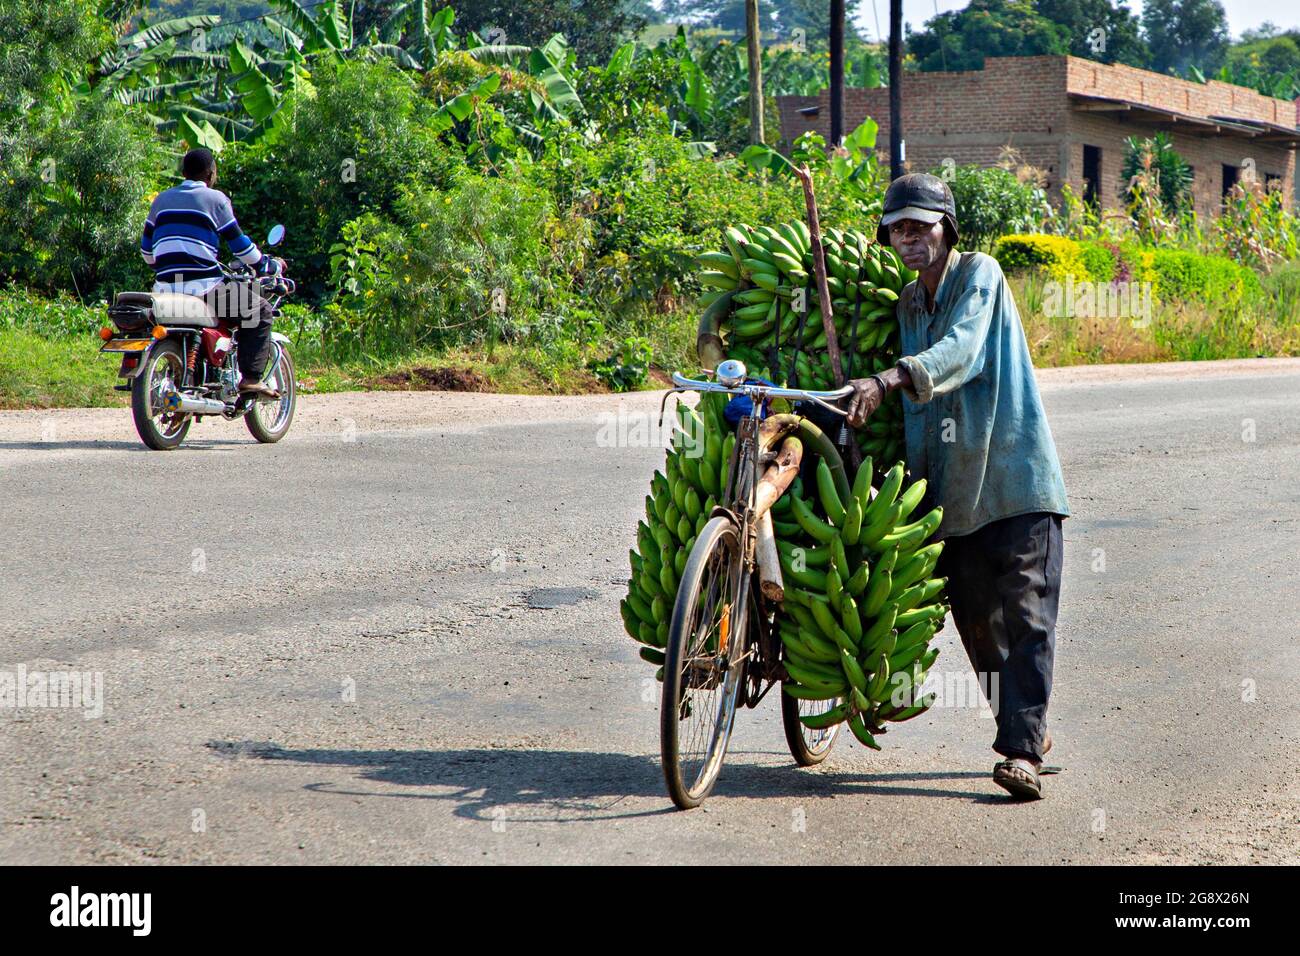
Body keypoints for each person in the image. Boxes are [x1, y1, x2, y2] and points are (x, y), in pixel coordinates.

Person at [844, 173, 1070, 799]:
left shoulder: (981, 275)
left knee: (1027, 616)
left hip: (1017, 479)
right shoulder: (908, 306)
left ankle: (1021, 753)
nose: (910, 239)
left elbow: (963, 350)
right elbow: (920, 417)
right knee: (975, 624)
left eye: (921, 226)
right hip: (955, 496)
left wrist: (889, 379)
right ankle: (1027, 727)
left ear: (947, 228)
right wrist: (913, 501)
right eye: (899, 229)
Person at [140, 147, 282, 398]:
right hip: (203, 287)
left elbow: (147, 253)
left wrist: (167, 269)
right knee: (259, 310)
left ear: (183, 173)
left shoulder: (161, 200)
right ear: (211, 173)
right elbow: (240, 246)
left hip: (164, 288)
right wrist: (265, 265)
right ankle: (250, 379)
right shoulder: (216, 199)